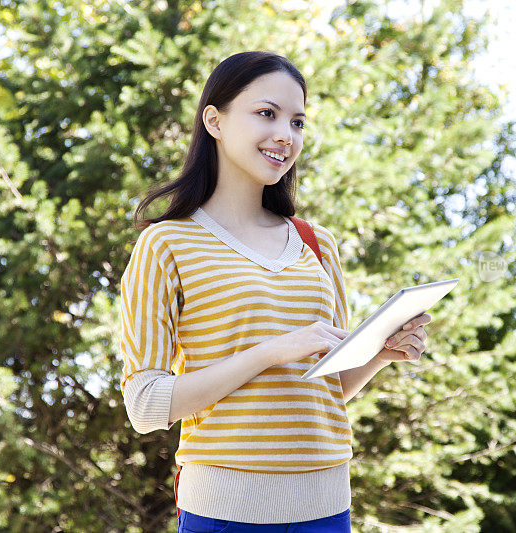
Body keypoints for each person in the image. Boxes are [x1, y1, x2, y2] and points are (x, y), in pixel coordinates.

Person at [118, 51, 432, 532]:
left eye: (298, 121)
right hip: (226, 512)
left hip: (326, 508)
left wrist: (380, 355)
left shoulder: (317, 243)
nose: (286, 135)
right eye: (267, 113)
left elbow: (327, 387)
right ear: (215, 121)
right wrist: (268, 352)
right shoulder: (166, 243)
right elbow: (145, 406)